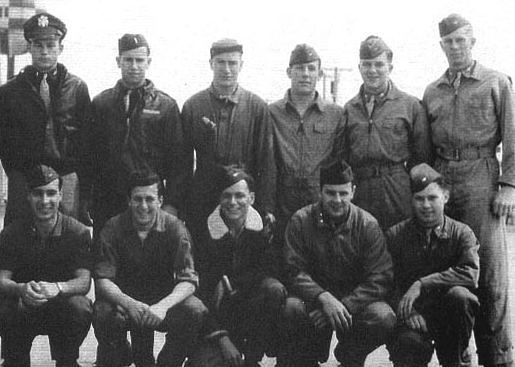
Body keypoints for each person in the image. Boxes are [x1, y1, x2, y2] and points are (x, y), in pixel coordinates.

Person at [422, 14, 515, 367]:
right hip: (444, 178)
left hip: (482, 176)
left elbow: (514, 137)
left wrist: (508, 185)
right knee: (450, 266)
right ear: (441, 46)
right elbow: (426, 147)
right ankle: (456, 358)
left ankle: (500, 362)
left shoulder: (495, 83)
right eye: (448, 41)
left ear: (473, 41)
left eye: (461, 40)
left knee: (489, 272)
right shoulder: (432, 91)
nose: (455, 47)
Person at [282, 159, 396, 367]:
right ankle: (307, 361)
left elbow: (380, 277)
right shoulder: (301, 221)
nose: (337, 200)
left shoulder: (368, 225)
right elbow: (292, 269)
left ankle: (350, 359)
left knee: (383, 316)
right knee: (291, 307)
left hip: (352, 305)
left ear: (353, 191)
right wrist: (322, 298)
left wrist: (343, 304)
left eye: (343, 193)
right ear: (320, 192)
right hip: (314, 301)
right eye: (330, 193)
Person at [92, 173, 206, 367]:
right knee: (102, 311)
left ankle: (168, 363)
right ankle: (117, 356)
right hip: (124, 304)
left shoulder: (175, 228)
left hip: (162, 304)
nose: (143, 206)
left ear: (160, 201)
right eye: (137, 199)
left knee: (195, 310)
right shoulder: (112, 227)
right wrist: (129, 303)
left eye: (150, 199)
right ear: (128, 200)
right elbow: (102, 279)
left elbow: (188, 280)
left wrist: (163, 306)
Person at [185, 167, 285, 367]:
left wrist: (232, 282)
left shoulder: (263, 230)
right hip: (217, 318)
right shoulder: (204, 233)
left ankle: (251, 360)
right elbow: (200, 292)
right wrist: (222, 338)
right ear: (219, 198)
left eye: (240, 195)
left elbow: (270, 270)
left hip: (249, 312)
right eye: (226, 196)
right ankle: (228, 358)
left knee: (274, 289)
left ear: (251, 198)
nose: (233, 202)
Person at [0, 164, 93, 367]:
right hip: (25, 305)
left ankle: (67, 362)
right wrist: (22, 288)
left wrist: (57, 288)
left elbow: (84, 281)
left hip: (60, 306)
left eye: (50, 193)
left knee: (81, 306)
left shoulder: (77, 232)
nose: (44, 201)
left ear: (60, 196)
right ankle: (16, 362)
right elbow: (1, 282)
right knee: (4, 309)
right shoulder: (12, 233)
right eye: (38, 193)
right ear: (28, 196)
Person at [386, 163, 479, 367]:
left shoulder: (462, 233)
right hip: (413, 317)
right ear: (411, 200)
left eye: (432, 198)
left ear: (445, 197)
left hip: (447, 315)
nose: (426, 205)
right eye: (419, 199)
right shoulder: (397, 235)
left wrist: (422, 283)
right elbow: (387, 282)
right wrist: (407, 313)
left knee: (461, 296)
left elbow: (470, 272)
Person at [0, 13, 91, 225]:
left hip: (66, 177)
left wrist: (77, 180)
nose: (44, 52)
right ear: (29, 47)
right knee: (20, 238)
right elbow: (3, 140)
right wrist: (19, 174)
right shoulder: (11, 91)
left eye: (50, 45)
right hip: (26, 178)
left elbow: (86, 140)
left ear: (60, 48)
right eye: (38, 45)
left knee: (68, 237)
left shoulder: (77, 88)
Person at [87, 34, 185, 232]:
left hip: (147, 202)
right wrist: (87, 199)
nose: (134, 66)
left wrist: (171, 204)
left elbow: (179, 162)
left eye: (139, 60)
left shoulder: (166, 106)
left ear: (148, 62)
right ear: (118, 61)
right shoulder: (101, 104)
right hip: (108, 201)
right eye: (128, 60)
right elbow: (90, 157)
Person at [180, 38, 276, 230]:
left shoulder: (256, 107)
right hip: (204, 198)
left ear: (241, 65)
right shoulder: (193, 106)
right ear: (211, 64)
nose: (226, 69)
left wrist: (266, 207)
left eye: (232, 63)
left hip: (241, 199)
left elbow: (266, 161)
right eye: (220, 63)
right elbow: (183, 163)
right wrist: (182, 207)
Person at [342, 35, 431, 230]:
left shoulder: (410, 106)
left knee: (399, 245)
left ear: (390, 68)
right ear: (359, 68)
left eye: (379, 65)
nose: (372, 70)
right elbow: (344, 157)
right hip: (361, 190)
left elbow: (423, 157)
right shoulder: (349, 109)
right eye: (367, 65)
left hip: (396, 189)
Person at [268, 44, 345, 242]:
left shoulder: (335, 114)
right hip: (283, 199)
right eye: (299, 68)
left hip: (319, 200)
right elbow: (266, 162)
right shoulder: (272, 113)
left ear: (319, 74)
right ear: (288, 72)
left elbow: (340, 160)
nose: (305, 74)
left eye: (311, 69)